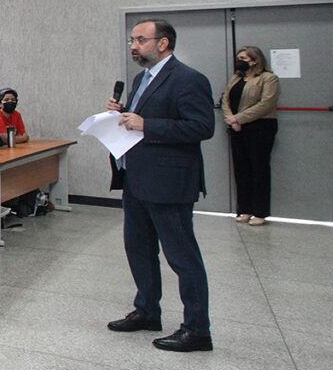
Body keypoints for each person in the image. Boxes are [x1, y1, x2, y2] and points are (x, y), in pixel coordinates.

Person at [106, 19, 214, 353]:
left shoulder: (188, 79)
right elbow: (141, 120)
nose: (133, 46)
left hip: (170, 183)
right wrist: (123, 114)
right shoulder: (141, 79)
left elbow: (202, 127)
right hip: (137, 179)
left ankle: (197, 329)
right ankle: (147, 311)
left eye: (140, 40)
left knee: (182, 257)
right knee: (138, 249)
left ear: (163, 43)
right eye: (132, 40)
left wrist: (146, 124)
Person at [220, 45, 279, 227]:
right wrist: (231, 119)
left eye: (243, 59)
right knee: (241, 169)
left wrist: (238, 118)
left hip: (260, 127)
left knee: (259, 169)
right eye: (238, 58)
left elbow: (266, 104)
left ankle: (260, 212)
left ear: (254, 60)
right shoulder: (236, 78)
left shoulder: (268, 78)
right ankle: (244, 209)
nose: (239, 62)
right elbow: (225, 100)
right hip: (236, 128)